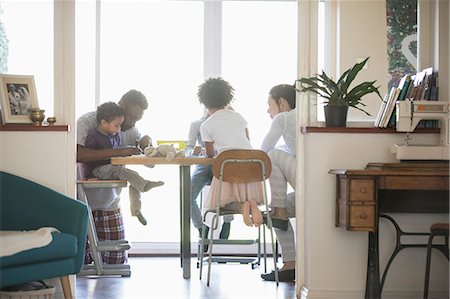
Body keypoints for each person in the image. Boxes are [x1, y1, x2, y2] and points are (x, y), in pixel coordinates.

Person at [77, 89, 151, 264]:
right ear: (121, 105)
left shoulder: (130, 128)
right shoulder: (87, 121)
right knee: (81, 262)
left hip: (110, 200)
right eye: (132, 117)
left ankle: (137, 207)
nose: (132, 123)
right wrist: (119, 152)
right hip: (82, 198)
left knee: (116, 261)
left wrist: (147, 144)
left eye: (137, 119)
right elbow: (78, 154)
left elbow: (146, 157)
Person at [84, 101, 164, 226]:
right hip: (98, 171)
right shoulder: (94, 136)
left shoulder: (115, 134)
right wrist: (89, 176)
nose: (119, 129)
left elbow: (150, 164)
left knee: (133, 179)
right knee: (123, 172)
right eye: (117, 126)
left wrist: (144, 147)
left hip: (111, 172)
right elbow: (87, 158)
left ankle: (136, 209)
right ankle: (144, 185)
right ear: (104, 123)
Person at [198, 77, 263, 227]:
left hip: (227, 173)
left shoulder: (206, 125)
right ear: (228, 98)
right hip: (251, 173)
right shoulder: (239, 117)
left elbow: (209, 155)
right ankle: (251, 204)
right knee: (234, 197)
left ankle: (242, 207)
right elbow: (247, 141)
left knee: (218, 205)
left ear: (205, 103)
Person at [259, 83, 297, 282]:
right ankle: (290, 265)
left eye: (269, 104)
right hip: (317, 187)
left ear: (281, 102)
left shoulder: (284, 118)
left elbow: (263, 151)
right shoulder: (304, 117)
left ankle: (279, 207)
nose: (267, 110)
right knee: (274, 214)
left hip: (310, 185)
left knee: (273, 153)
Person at [186, 109, 233, 240]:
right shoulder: (197, 124)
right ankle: (201, 227)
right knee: (187, 196)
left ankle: (228, 221)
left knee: (230, 189)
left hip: (225, 166)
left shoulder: (228, 121)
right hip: (204, 166)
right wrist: (193, 152)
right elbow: (187, 149)